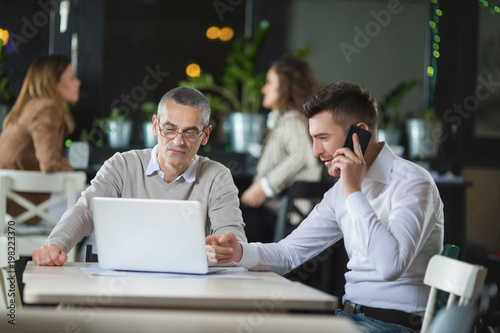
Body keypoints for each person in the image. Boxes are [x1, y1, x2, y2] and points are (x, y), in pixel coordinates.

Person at [206, 81, 444, 333]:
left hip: (395, 324)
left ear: (359, 133)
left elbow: (391, 266)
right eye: (313, 138)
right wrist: (238, 252)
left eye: (323, 138)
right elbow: (288, 254)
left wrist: (353, 191)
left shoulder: (413, 182)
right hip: (347, 317)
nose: (316, 151)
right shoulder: (339, 192)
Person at [33, 86, 247, 266]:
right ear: (155, 125)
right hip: (121, 281)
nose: (178, 141)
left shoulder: (218, 177)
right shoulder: (121, 165)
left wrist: (228, 249)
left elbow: (232, 239)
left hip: (187, 285)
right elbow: (86, 211)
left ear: (205, 135)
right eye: (169, 129)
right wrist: (55, 245)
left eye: (190, 133)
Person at [241, 56, 322, 242]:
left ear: (285, 86)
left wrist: (265, 187)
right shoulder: (289, 120)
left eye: (269, 82)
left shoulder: (292, 120)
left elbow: (303, 156)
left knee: (226, 224)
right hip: (280, 216)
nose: (264, 89)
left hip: (285, 219)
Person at [0, 54, 80, 225]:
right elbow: (50, 162)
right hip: (22, 212)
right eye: (72, 77)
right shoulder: (47, 108)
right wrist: (74, 172)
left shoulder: (30, 107)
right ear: (53, 82)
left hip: (8, 206)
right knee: (97, 204)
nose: (78, 82)